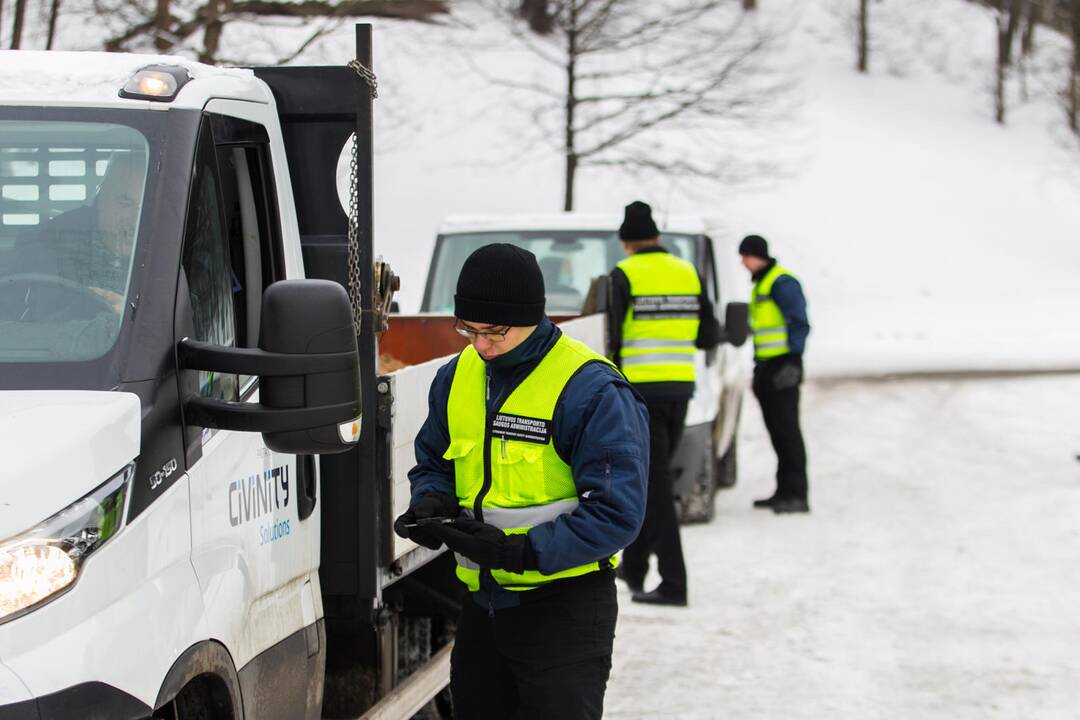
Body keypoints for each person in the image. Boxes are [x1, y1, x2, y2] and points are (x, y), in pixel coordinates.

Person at [394, 243, 649, 720]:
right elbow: (433, 458)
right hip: (483, 606)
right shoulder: (456, 376)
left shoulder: (590, 390)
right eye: (468, 329)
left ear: (535, 317)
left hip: (564, 609)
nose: (481, 345)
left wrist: (524, 551)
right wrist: (430, 499)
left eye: (494, 332)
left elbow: (618, 512)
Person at [609, 201, 721, 607]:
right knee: (651, 480)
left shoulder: (625, 275)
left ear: (627, 242)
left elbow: (612, 343)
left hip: (640, 394)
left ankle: (674, 583)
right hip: (680, 390)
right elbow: (709, 335)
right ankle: (635, 567)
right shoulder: (687, 271)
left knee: (654, 487)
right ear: (656, 236)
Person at [738, 234, 811, 514]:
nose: (742, 262)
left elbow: (799, 322)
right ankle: (784, 491)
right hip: (768, 367)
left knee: (788, 432)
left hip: (783, 367)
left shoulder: (781, 282)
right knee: (778, 433)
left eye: (745, 256)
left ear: (757, 255)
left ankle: (797, 494)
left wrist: (793, 360)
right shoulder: (762, 284)